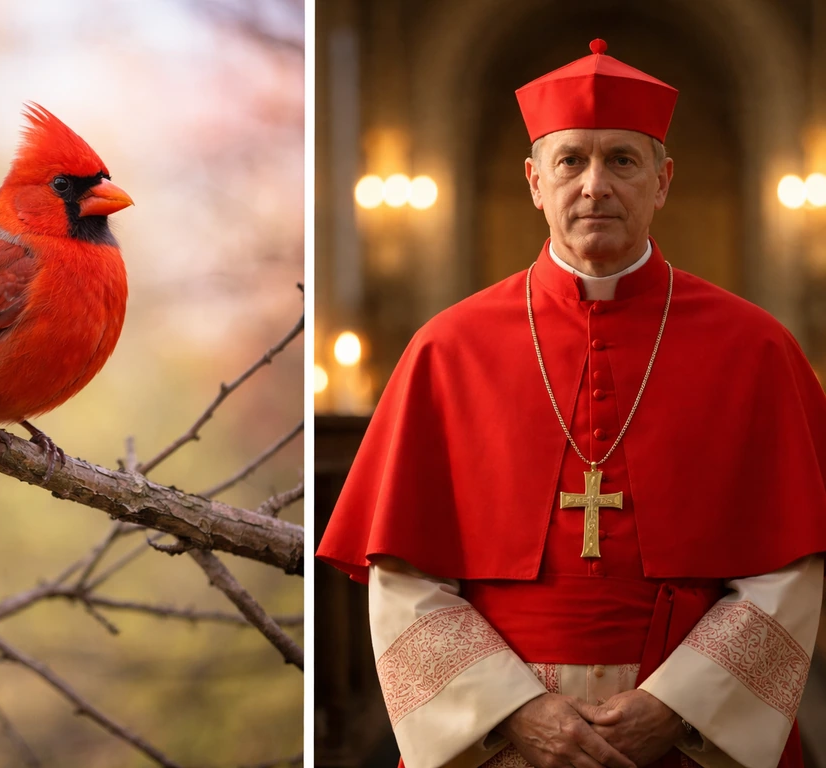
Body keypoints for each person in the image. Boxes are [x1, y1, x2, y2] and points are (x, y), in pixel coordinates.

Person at [316, 39, 826, 768]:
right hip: (502, 748)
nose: (594, 186)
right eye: (570, 162)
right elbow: (405, 575)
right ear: (533, 181)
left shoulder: (757, 349)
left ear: (663, 180)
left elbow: (791, 567)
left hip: (689, 745)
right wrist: (515, 712)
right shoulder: (446, 350)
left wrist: (676, 708)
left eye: (622, 160)